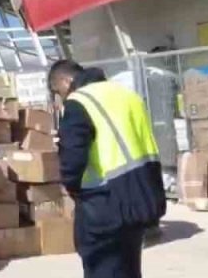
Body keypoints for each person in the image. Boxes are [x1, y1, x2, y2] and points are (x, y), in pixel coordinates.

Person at [50, 59, 165, 278]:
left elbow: (73, 158)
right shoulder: (127, 95)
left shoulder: (79, 102)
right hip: (142, 195)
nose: (61, 97)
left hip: (103, 203)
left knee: (103, 269)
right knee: (129, 269)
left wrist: (71, 188)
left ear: (66, 81)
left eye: (58, 91)